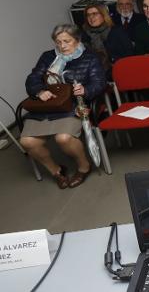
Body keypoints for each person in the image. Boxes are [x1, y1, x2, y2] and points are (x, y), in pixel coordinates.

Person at [19, 24, 106, 189]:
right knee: (27, 141)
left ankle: (83, 167)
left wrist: (85, 90)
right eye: (58, 42)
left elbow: (99, 83)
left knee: (63, 138)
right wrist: (39, 91)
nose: (62, 46)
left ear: (77, 40)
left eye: (67, 41)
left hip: (72, 106)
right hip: (47, 105)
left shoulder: (90, 57)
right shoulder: (47, 56)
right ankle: (57, 171)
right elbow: (33, 78)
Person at [81, 4, 133, 78]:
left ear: (104, 15)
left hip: (120, 71)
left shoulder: (117, 31)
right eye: (88, 15)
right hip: (95, 73)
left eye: (95, 14)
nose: (91, 17)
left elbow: (129, 55)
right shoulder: (84, 34)